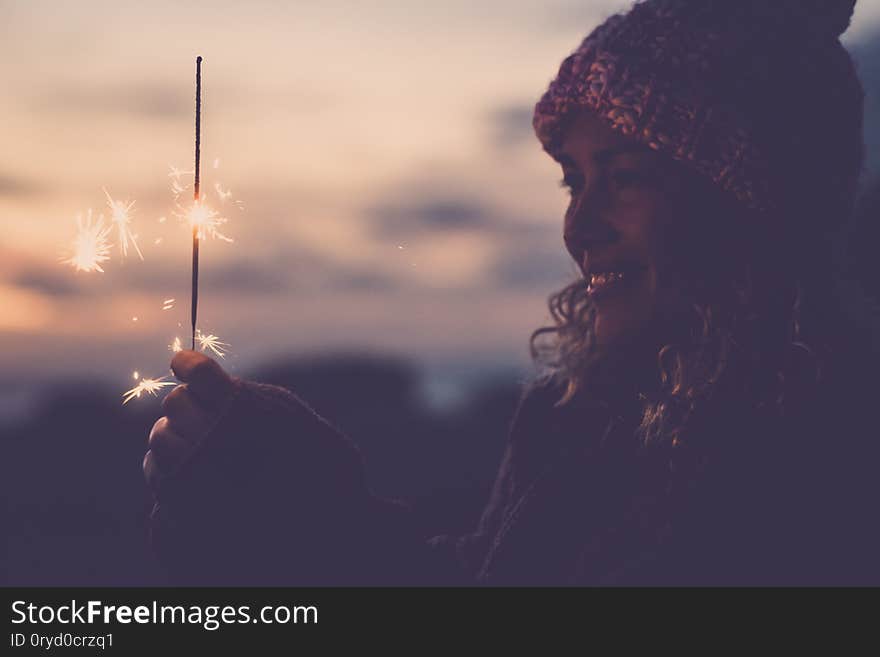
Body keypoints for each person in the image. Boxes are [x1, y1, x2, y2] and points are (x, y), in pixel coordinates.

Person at [143, 0, 880, 585]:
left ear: (745, 204)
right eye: (573, 180)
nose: (579, 225)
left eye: (623, 177)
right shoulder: (586, 413)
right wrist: (287, 502)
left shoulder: (813, 466)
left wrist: (314, 510)